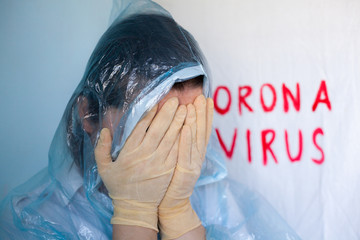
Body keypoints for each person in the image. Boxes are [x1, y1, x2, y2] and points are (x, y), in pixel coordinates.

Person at [0, 0, 301, 239]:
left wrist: (180, 216)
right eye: (153, 127)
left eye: (187, 124)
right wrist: (135, 214)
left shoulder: (217, 200)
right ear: (89, 115)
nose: (172, 146)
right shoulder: (33, 221)